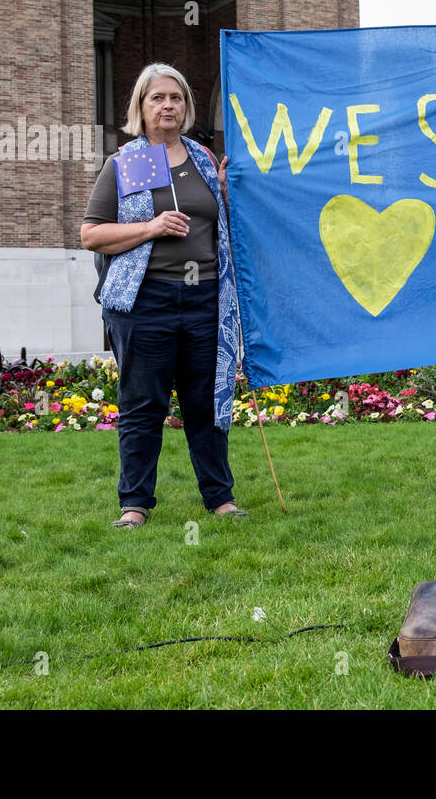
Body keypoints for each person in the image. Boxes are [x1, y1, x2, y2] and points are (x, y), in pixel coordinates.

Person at [81, 63, 246, 528]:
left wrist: (230, 201)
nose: (167, 105)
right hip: (145, 302)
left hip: (205, 299)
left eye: (175, 97)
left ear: (186, 106)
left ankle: (220, 498)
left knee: (205, 403)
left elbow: (227, 228)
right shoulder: (128, 161)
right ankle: (135, 505)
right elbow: (91, 235)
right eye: (157, 98)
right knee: (142, 406)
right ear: (141, 107)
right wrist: (150, 227)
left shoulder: (205, 161)